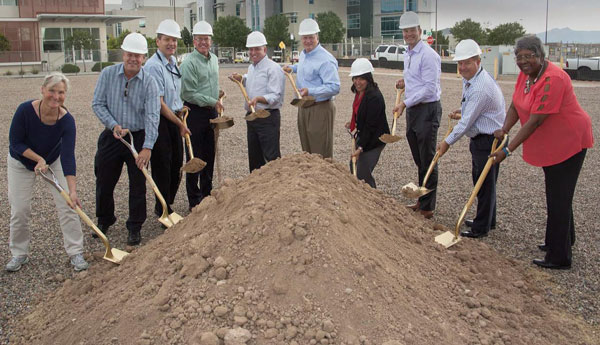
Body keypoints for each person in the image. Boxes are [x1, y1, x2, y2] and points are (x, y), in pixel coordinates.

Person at [490, 35, 593, 269]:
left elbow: (535, 120)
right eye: (520, 57)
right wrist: (504, 128)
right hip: (552, 143)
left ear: (541, 56)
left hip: (569, 141)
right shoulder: (525, 76)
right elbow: (517, 104)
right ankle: (562, 240)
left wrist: (508, 149)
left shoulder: (553, 79)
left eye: (529, 57)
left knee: (559, 197)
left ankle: (560, 257)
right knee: (559, 194)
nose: (524, 61)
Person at [6, 72, 88, 272]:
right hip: (20, 162)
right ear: (42, 90)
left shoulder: (67, 120)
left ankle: (75, 252)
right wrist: (38, 159)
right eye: (52, 90)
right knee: (20, 209)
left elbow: (68, 156)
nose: (56, 96)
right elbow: (15, 142)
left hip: (54, 159)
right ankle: (19, 254)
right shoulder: (25, 110)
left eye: (61, 92)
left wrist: (73, 190)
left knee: (68, 205)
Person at [92, 32, 160, 246]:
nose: (133, 59)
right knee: (104, 180)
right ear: (123, 54)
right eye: (130, 54)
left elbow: (152, 116)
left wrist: (147, 147)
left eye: (138, 55)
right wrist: (113, 125)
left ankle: (135, 226)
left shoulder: (150, 82)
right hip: (112, 136)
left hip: (137, 137)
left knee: (138, 184)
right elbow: (98, 104)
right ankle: (104, 219)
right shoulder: (108, 74)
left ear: (144, 58)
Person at [436, 39, 506, 238]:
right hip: (484, 136)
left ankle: (481, 227)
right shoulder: (473, 79)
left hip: (488, 140)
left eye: (466, 62)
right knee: (485, 181)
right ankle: (488, 219)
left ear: (477, 60)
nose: (462, 67)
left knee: (483, 183)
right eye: (459, 63)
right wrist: (463, 110)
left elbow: (466, 123)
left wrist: (446, 142)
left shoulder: (480, 87)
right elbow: (471, 110)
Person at [392, 11, 442, 219]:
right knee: (419, 158)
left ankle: (428, 206)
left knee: (428, 158)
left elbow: (430, 89)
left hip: (427, 110)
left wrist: (404, 103)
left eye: (412, 30)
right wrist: (406, 82)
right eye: (405, 31)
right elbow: (417, 80)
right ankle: (422, 199)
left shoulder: (429, 55)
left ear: (420, 31)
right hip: (414, 109)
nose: (409, 34)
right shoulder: (409, 53)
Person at [145, 19, 191, 218]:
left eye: (174, 40)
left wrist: (180, 109)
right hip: (161, 121)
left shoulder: (172, 63)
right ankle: (162, 207)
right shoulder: (154, 66)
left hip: (174, 117)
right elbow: (160, 103)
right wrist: (179, 122)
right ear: (158, 41)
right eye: (167, 40)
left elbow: (173, 94)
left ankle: (166, 203)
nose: (171, 43)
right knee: (163, 165)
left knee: (175, 165)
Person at [283, 18, 340, 159]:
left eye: (311, 37)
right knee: (307, 150)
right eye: (305, 38)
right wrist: (292, 68)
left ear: (317, 37)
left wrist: (311, 91)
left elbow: (334, 87)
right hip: (304, 106)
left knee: (320, 152)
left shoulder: (326, 59)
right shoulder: (304, 54)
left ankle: (323, 180)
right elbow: (306, 68)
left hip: (320, 107)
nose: (307, 41)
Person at [180, 20, 223, 210]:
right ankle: (194, 200)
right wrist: (211, 100)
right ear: (194, 41)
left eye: (206, 39)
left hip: (211, 112)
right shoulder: (189, 63)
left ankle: (207, 193)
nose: (204, 42)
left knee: (209, 153)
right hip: (195, 113)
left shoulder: (213, 59)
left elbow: (210, 84)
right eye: (200, 39)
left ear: (210, 40)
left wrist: (217, 95)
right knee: (194, 157)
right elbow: (188, 93)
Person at [230, 31, 285, 172]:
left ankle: (274, 188)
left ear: (265, 49)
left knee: (271, 158)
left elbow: (276, 96)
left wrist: (259, 99)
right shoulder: (252, 67)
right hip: (252, 118)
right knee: (255, 159)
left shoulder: (273, 68)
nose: (253, 52)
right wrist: (241, 78)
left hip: (267, 117)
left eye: (257, 49)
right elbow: (252, 80)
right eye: (251, 49)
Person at [345, 58, 390, 188]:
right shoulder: (360, 93)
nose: (357, 82)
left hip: (375, 138)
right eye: (355, 78)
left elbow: (371, 126)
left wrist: (360, 148)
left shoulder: (374, 97)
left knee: (362, 172)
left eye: (361, 79)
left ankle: (372, 199)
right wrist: (352, 122)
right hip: (365, 134)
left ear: (368, 79)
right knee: (353, 166)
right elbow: (360, 112)